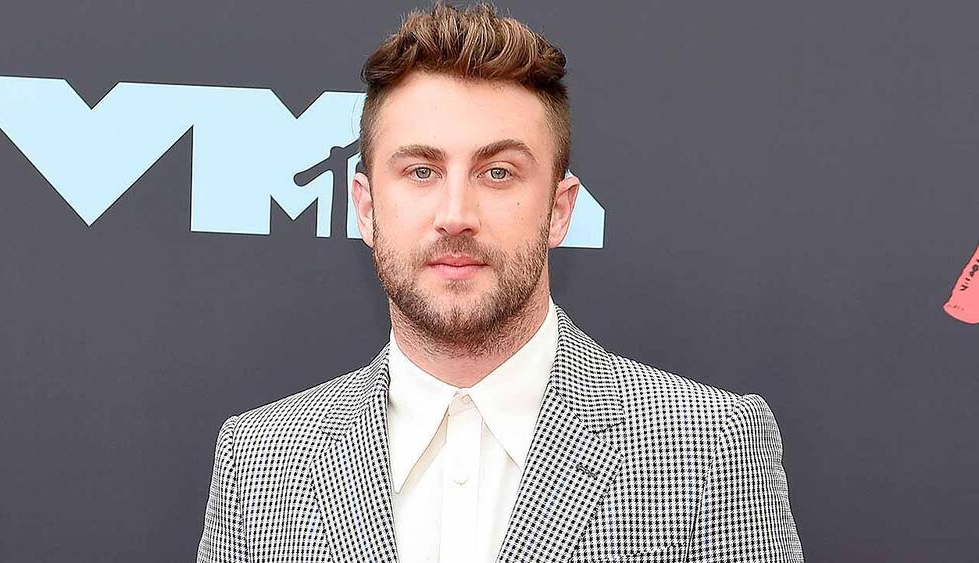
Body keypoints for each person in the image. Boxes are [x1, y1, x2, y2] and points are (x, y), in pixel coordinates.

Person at [196, 2, 804, 562]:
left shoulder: (710, 448)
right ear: (365, 206)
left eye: (498, 172)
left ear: (560, 210)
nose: (456, 214)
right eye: (421, 171)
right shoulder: (260, 463)